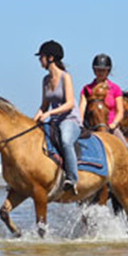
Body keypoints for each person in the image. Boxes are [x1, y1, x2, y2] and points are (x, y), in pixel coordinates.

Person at [32, 40, 81, 194]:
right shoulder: (45, 80)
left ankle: (72, 179)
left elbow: (69, 104)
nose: (40, 60)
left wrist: (49, 114)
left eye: (42, 57)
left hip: (69, 120)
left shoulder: (65, 77)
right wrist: (31, 122)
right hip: (54, 121)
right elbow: (44, 106)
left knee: (66, 141)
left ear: (51, 58)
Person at [78, 53, 126, 136]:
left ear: (108, 71)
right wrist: (80, 124)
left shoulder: (115, 89)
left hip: (110, 127)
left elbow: (120, 111)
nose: (100, 73)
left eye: (103, 70)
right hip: (91, 127)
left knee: (125, 146)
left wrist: (114, 124)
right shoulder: (87, 89)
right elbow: (82, 109)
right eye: (98, 70)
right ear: (94, 70)